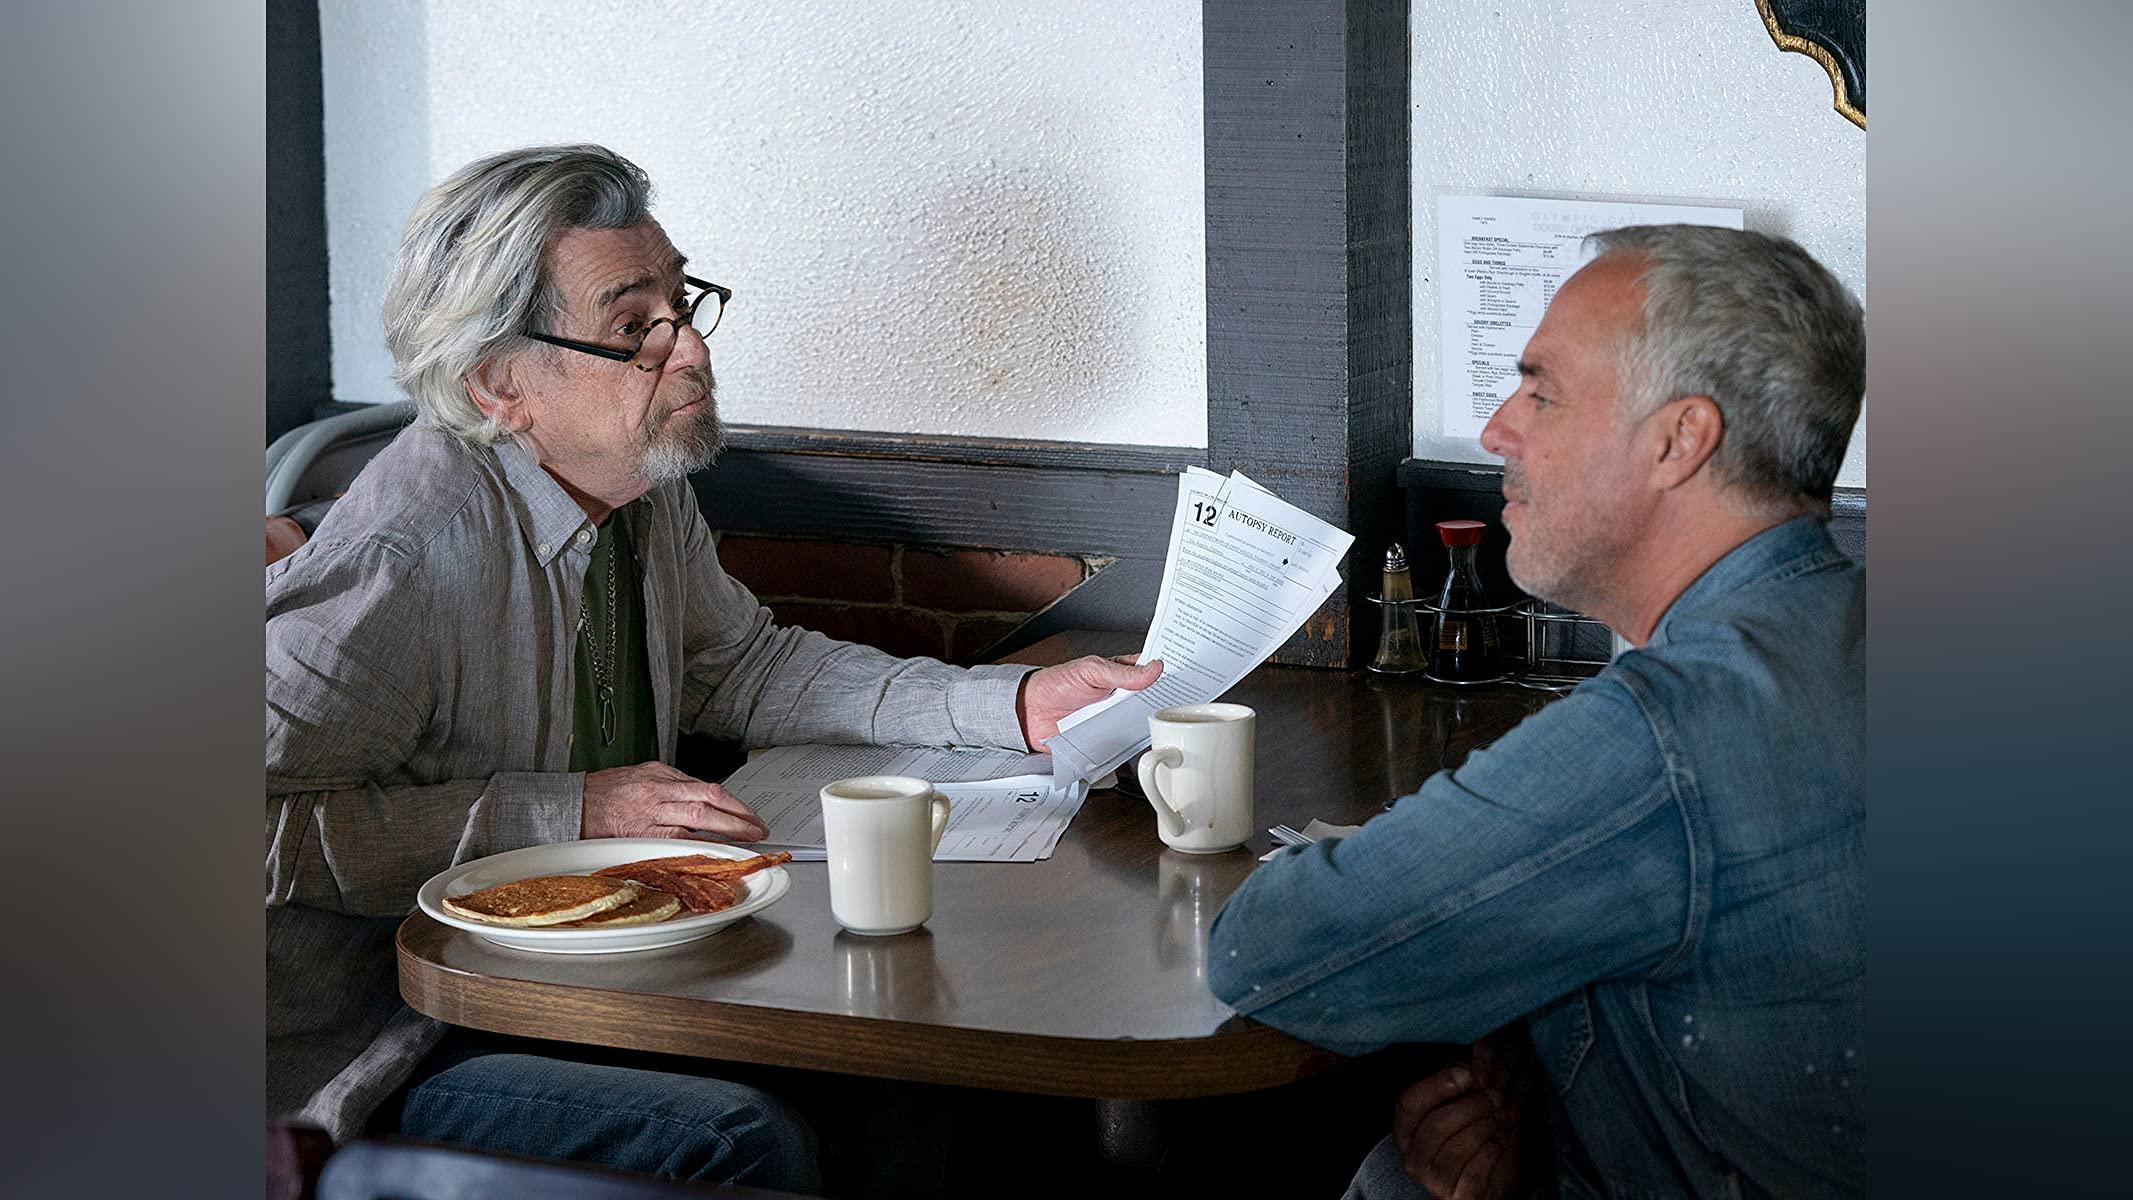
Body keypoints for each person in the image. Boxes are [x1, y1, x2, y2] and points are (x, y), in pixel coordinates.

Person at [265, 143, 1161, 1191]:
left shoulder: (635, 476)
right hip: (372, 1045)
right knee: (731, 1138)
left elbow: (740, 667)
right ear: (500, 384)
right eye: (632, 328)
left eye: (682, 304)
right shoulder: (407, 556)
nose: (688, 349)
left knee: (910, 1060)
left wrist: (1011, 705)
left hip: (577, 975)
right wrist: (567, 813)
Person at [1207, 225, 1864, 1199]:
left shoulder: (1661, 734)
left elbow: (1265, 952)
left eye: (1540, 394)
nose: (1496, 432)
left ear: (1678, 441)